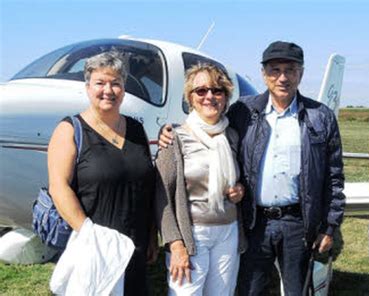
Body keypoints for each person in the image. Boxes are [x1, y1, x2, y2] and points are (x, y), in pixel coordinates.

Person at [159, 41, 346, 295]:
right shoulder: (244, 112)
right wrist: (167, 131)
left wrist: (329, 226)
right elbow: (207, 124)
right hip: (254, 223)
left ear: (300, 73)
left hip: (298, 224)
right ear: (263, 74)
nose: (282, 77)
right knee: (249, 290)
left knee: (298, 290)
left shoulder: (321, 116)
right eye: (274, 70)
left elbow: (334, 177)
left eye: (290, 70)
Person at [48, 51, 156, 295]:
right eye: (100, 83)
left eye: (116, 83)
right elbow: (59, 186)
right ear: (88, 88)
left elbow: (146, 185)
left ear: (124, 89)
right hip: (94, 249)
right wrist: (89, 234)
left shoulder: (137, 130)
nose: (108, 90)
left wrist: (151, 234)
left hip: (133, 247)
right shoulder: (69, 130)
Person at [155, 63, 247, 295]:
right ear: (190, 97)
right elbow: (161, 196)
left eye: (217, 91)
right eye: (201, 91)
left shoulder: (232, 136)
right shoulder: (174, 137)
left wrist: (240, 190)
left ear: (226, 97)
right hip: (192, 235)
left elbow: (242, 178)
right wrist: (175, 244)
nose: (209, 96)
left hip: (228, 232)